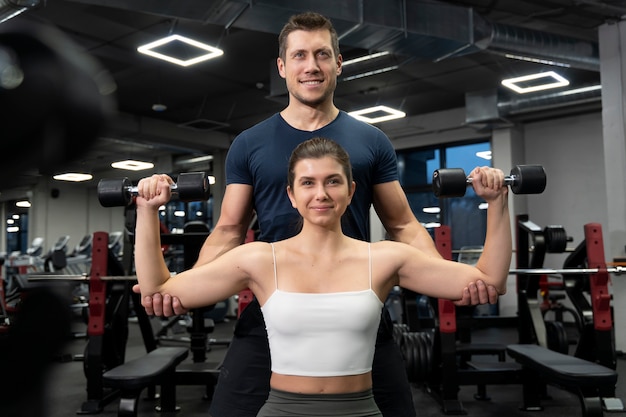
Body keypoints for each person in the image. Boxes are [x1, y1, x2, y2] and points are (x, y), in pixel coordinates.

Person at [134, 11, 503, 417]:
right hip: (276, 307)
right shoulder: (249, 143)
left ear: (338, 63)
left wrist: (442, 279)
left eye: (322, 54)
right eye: (299, 56)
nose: (311, 66)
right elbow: (228, 229)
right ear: (282, 67)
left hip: (357, 307)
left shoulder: (371, 141)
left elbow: (403, 224)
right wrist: (189, 287)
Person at [134, 137, 511, 417]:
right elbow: (159, 287)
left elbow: (489, 280)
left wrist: (497, 202)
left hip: (361, 410)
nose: (321, 194)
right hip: (283, 410)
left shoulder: (384, 259)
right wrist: (147, 209)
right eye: (308, 183)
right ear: (291, 195)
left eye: (333, 182)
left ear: (350, 191)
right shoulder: (259, 260)